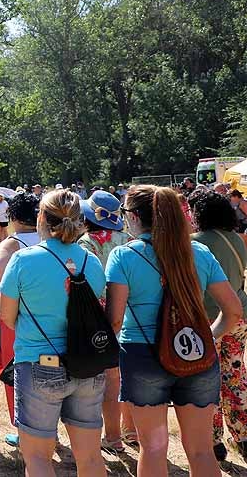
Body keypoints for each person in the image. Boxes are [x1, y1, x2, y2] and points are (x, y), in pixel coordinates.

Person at [107, 185, 242, 476]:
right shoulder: (199, 252)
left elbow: (115, 320)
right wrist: (209, 335)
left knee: (153, 448)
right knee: (201, 450)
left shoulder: (123, 256)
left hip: (142, 353)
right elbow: (233, 310)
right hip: (196, 351)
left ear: (132, 216)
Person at [0, 189, 108, 476]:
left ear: (42, 219)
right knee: (92, 458)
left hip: (39, 363)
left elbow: (7, 316)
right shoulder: (91, 262)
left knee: (37, 458)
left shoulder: (23, 260)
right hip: (87, 365)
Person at [189, 191, 247, 460]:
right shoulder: (236, 239)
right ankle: (243, 435)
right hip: (239, 316)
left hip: (208, 321)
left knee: (207, 380)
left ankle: (214, 442)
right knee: (235, 377)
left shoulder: (192, 243)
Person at [76, 189, 134, 452]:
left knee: (110, 379)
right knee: (130, 375)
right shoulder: (129, 238)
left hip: (103, 316)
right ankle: (132, 431)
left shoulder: (86, 244)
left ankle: (113, 437)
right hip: (134, 313)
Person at [0, 192, 42, 447]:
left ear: (13, 217)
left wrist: (7, 292)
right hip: (48, 314)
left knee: (16, 372)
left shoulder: (12, 243)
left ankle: (22, 429)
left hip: (17, 314)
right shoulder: (49, 237)